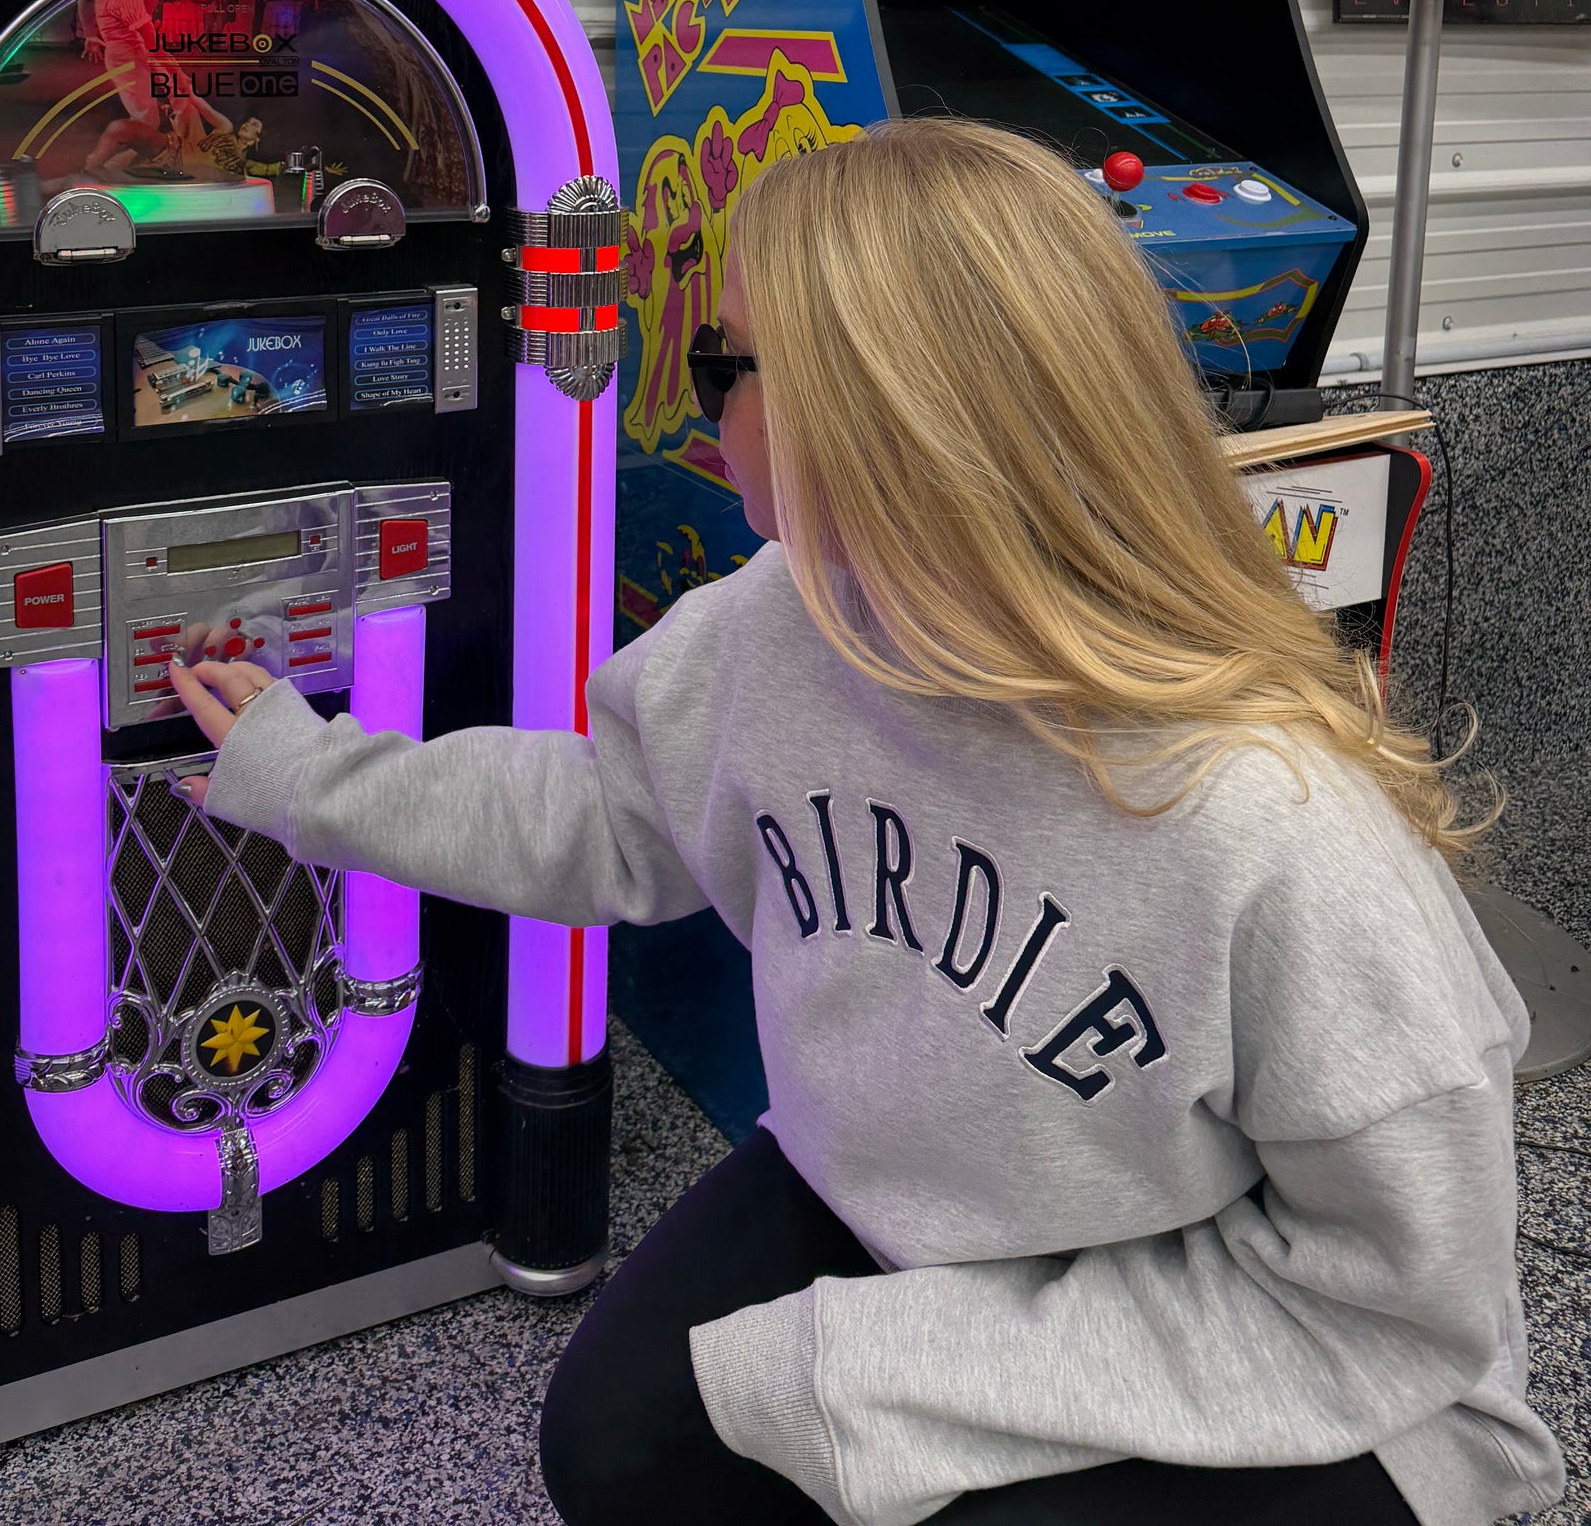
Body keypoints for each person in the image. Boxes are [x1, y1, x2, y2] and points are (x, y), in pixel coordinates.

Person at [168, 119, 1563, 1526]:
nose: (692, 405)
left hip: (1277, 1326)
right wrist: (305, 775)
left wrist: (893, 1375)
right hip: (894, 1194)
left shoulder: (1274, 823)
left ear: (886, 416)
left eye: (723, 364)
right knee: (617, 1449)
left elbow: (1402, 1301)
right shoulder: (778, 625)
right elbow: (606, 813)